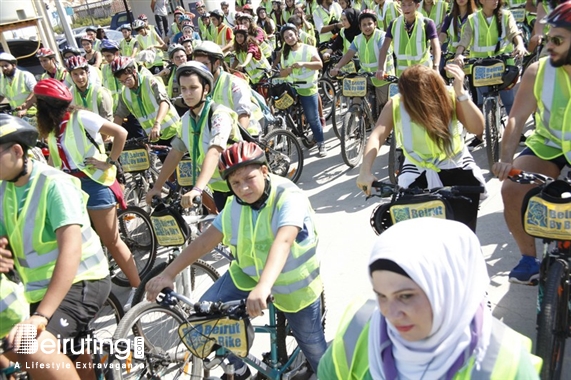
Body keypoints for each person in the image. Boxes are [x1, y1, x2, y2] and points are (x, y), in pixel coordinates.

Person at [145, 141, 327, 379]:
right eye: (235, 183)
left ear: (264, 171)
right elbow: (203, 242)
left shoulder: (288, 197)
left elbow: (283, 242)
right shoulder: (234, 205)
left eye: (249, 179)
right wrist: (168, 273)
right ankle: (240, 371)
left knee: (315, 350)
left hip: (294, 287)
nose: (243, 189)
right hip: (246, 276)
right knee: (205, 319)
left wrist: (264, 286)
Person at [317, 218, 542, 379]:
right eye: (381, 296)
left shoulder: (505, 365)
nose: (390, 315)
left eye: (405, 296)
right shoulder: (356, 335)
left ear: (449, 287)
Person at [0, 114, 111, 378]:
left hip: (82, 280)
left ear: (17, 151)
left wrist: (41, 316)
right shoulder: (5, 190)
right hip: (37, 289)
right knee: (13, 348)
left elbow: (71, 251)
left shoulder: (54, 183)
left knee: (32, 347)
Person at [33, 78, 142, 309]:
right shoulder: (52, 129)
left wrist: (109, 162)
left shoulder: (80, 117)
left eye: (38, 105)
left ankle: (138, 289)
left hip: (95, 184)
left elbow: (120, 132)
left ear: (46, 106)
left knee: (111, 240)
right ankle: (99, 294)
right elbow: (55, 160)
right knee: (79, 244)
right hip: (70, 188)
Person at [492, 1, 571, 284]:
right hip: (549, 144)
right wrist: (505, 159)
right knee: (512, 188)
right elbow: (515, 119)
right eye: (548, 36)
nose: (548, 44)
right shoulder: (538, 70)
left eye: (558, 39)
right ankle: (528, 259)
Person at [358, 65, 486, 231]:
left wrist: (461, 93)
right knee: (414, 232)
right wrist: (364, 171)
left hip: (455, 164)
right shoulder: (397, 103)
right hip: (417, 168)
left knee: (463, 231)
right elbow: (377, 136)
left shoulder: (450, 96)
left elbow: (478, 128)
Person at [146, 61, 242, 211]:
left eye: (193, 88)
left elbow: (215, 151)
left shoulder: (219, 115)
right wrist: (157, 186)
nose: (187, 94)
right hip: (220, 189)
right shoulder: (185, 120)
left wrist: (197, 189)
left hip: (242, 185)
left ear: (206, 89)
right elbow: (175, 153)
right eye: (183, 89)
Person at [453, 0, 527, 150]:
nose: (495, 1)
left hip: (503, 64)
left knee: (509, 101)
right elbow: (464, 39)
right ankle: (479, 135)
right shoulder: (473, 19)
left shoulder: (506, 16)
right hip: (481, 67)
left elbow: (514, 33)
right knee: (480, 102)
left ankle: (517, 133)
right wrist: (459, 54)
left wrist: (519, 44)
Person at [193, 41, 263, 135]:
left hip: (246, 134)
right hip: (219, 134)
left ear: (217, 63)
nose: (200, 68)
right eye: (197, 64)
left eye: (205, 64)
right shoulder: (199, 84)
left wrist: (237, 142)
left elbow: (243, 114)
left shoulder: (234, 83)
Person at [331, 10, 394, 114]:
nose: (367, 27)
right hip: (365, 75)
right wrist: (337, 67)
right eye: (364, 25)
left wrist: (381, 70)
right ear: (360, 27)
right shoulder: (358, 39)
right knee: (356, 101)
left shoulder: (381, 36)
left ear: (375, 24)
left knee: (383, 107)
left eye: (369, 23)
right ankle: (362, 121)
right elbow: (348, 54)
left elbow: (384, 52)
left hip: (382, 77)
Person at [279, 24, 327, 156]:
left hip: (307, 88)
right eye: (286, 37)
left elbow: (319, 64)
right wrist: (287, 71)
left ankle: (321, 143)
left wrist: (303, 64)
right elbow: (282, 73)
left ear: (296, 34)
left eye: (291, 35)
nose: (289, 38)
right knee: (283, 113)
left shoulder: (308, 49)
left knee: (313, 118)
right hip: (292, 89)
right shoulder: (285, 53)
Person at [111, 56, 180, 142]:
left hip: (174, 131)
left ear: (134, 72)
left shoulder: (150, 81)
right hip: (152, 138)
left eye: (127, 79)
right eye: (121, 81)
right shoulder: (125, 93)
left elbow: (164, 102)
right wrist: (112, 135)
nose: (126, 83)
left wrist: (157, 124)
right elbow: (119, 115)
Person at [375, 0, 441, 78]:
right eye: (403, 5)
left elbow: (436, 46)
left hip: (422, 73)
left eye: (410, 5)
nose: (406, 8)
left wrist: (435, 67)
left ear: (417, 6)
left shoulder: (427, 23)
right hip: (403, 75)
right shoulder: (394, 24)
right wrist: (381, 69)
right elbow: (384, 47)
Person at [65, 56, 113, 121]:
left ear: (87, 73)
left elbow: (107, 120)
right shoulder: (69, 95)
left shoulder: (100, 92)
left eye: (82, 73)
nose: (80, 77)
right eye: (75, 74)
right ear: (71, 76)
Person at [0, 52, 37, 117]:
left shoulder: (25, 75)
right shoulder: (3, 80)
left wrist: (25, 107)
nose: (4, 68)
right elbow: (1, 95)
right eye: (2, 66)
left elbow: (35, 92)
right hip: (16, 115)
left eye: (6, 65)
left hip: (31, 114)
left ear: (14, 65)